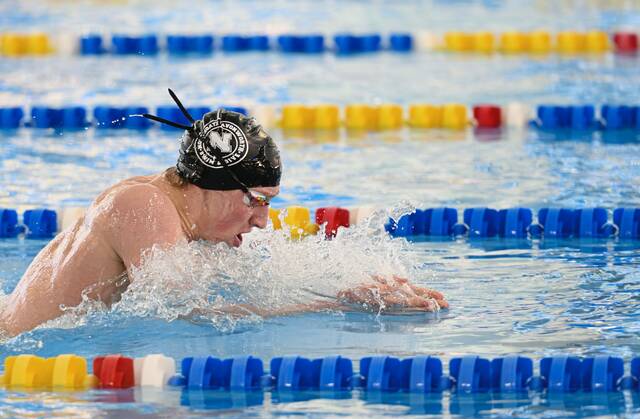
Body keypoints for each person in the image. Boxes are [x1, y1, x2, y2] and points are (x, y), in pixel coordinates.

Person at [0, 90, 448, 337]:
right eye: (256, 199)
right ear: (210, 186)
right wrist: (335, 305)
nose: (262, 220)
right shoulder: (141, 205)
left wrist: (358, 286)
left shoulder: (178, 213)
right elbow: (184, 310)